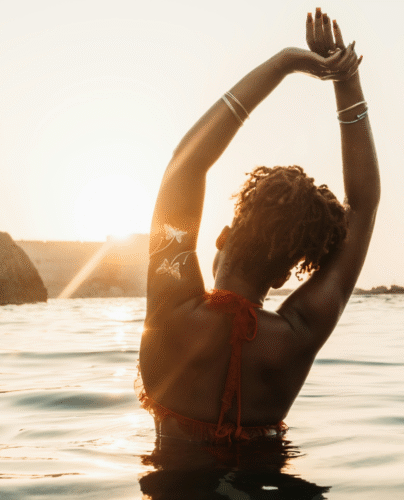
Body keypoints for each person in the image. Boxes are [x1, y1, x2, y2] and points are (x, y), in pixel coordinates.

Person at [137, 8, 380, 443]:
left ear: (223, 236)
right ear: (288, 273)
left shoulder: (171, 311)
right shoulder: (297, 336)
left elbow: (184, 168)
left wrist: (284, 64)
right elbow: (363, 207)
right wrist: (347, 79)